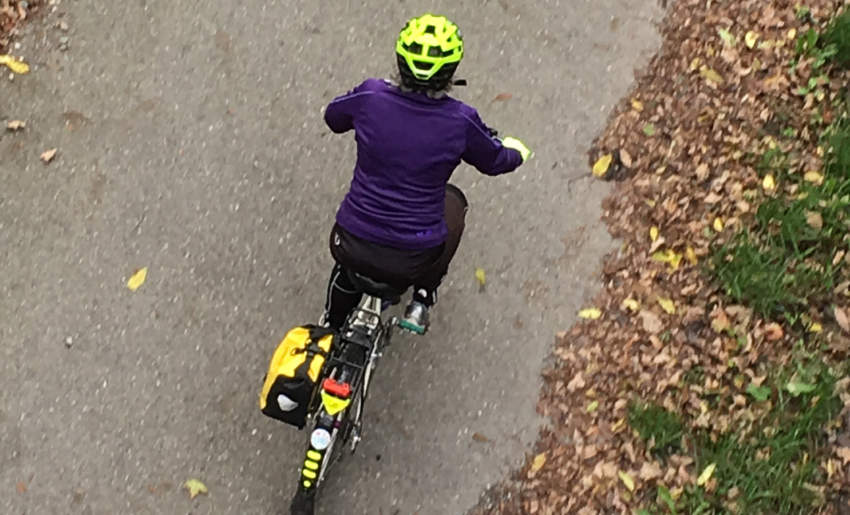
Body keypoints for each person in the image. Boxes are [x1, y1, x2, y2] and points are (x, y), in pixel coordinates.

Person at [321, 13, 531, 334]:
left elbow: (333, 118)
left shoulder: (371, 96)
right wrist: (516, 152)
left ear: (400, 60)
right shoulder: (461, 121)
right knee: (454, 205)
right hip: (412, 257)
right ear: (451, 70)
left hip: (349, 239)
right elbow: (495, 161)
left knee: (348, 268)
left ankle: (331, 325)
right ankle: (423, 296)